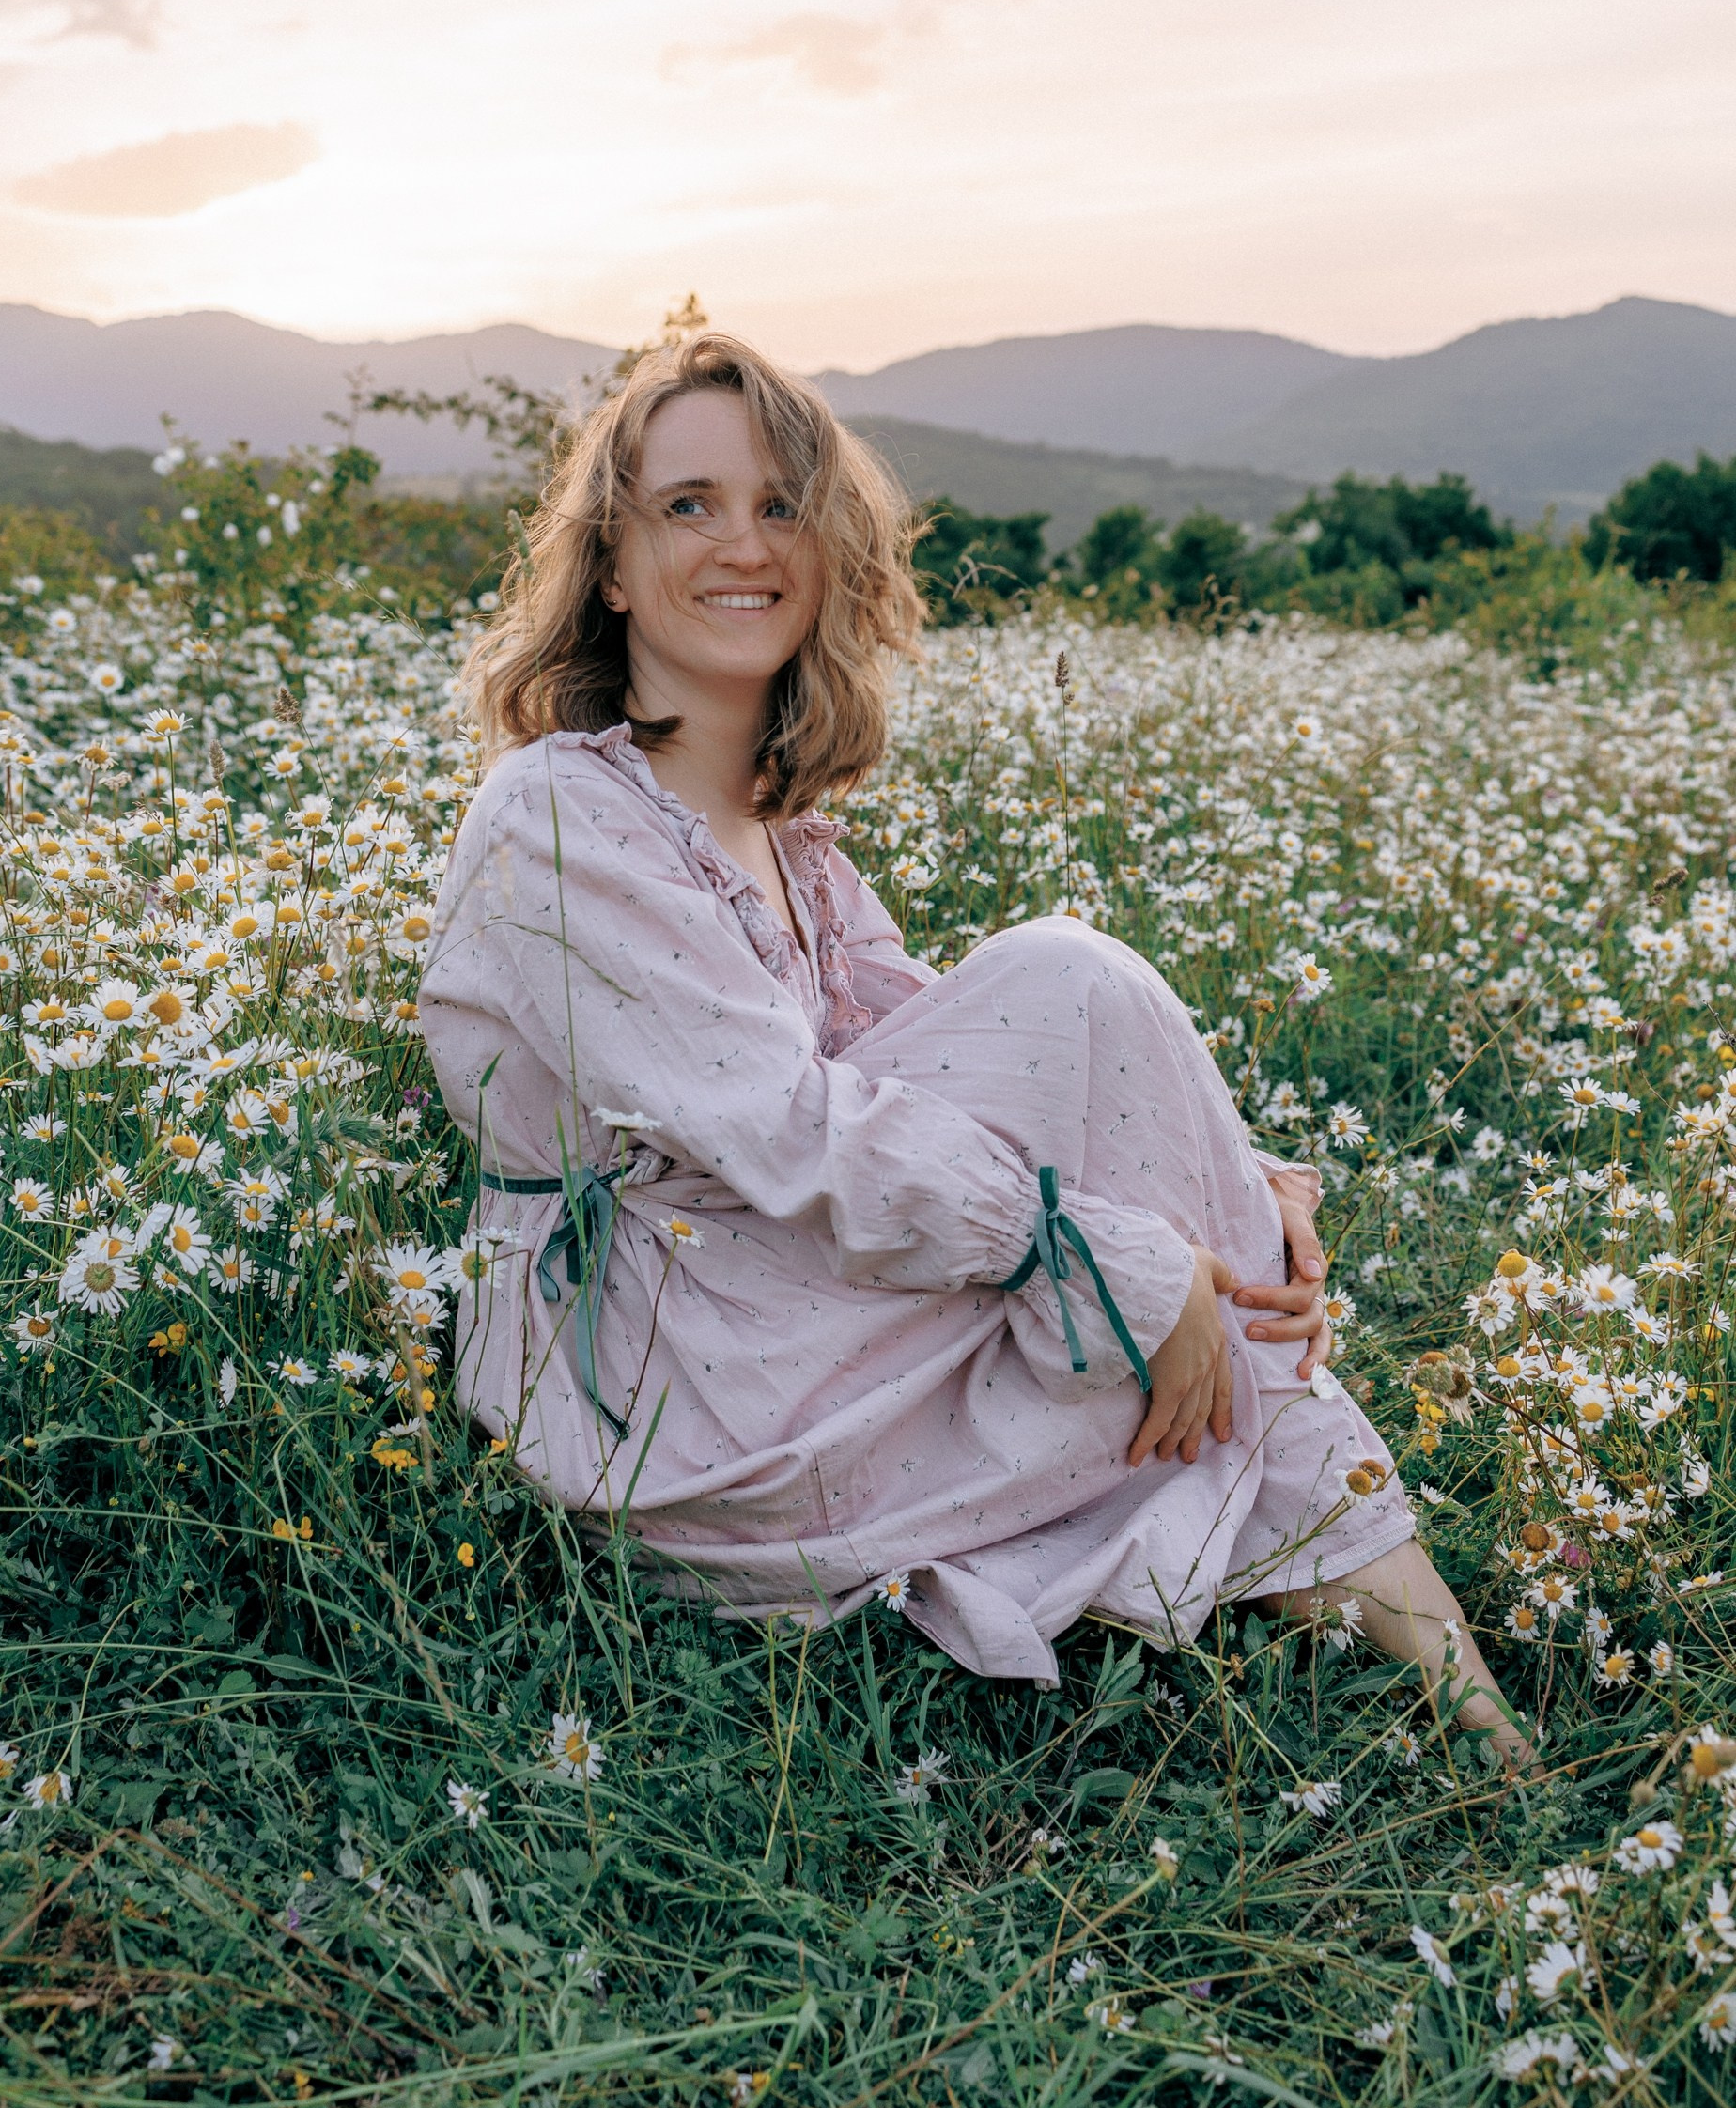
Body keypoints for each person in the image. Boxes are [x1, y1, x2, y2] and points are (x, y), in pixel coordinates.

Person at [420, 332, 1533, 1767]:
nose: (739, 543)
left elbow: (956, 1062)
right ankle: (1411, 1634)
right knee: (1069, 993)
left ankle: (1455, 1681)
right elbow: (802, 1127)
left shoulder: (785, 837)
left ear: (825, 558)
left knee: (1077, 1022)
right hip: (662, 1382)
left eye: (778, 508)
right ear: (612, 566)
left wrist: (1234, 1178)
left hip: (774, 1286)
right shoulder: (559, 815)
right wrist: (1116, 1260)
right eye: (686, 505)